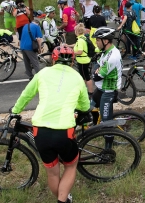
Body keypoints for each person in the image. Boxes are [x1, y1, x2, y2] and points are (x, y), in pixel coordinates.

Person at [11, 46, 90, 203]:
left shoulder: (42, 73)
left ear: (53, 59)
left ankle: (65, 199)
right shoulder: (77, 77)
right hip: (64, 131)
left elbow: (26, 94)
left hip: (40, 130)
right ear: (73, 60)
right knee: (71, 165)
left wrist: (15, 110)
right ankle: (62, 200)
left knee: (53, 173)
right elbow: (85, 106)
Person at [90, 27, 122, 128]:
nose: (96, 43)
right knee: (91, 107)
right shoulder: (106, 52)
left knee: (106, 122)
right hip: (100, 89)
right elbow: (96, 66)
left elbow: (97, 76)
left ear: (106, 41)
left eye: (98, 40)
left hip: (108, 91)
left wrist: (95, 72)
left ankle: (109, 142)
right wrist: (96, 70)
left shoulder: (112, 56)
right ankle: (95, 126)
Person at [73, 23, 94, 94]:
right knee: (83, 76)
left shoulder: (80, 40)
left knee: (86, 76)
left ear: (77, 31)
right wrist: (68, 45)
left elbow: (80, 51)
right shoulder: (83, 37)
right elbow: (77, 45)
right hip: (85, 60)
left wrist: (73, 52)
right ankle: (83, 89)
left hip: (82, 61)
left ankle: (90, 92)